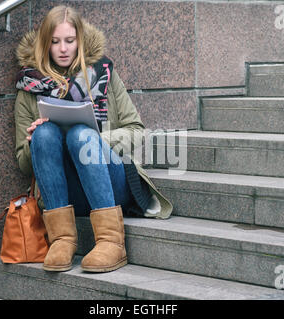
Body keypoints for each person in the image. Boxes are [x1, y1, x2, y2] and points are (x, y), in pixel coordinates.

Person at [13, 6, 172, 273]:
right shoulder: (29, 89)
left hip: (111, 182)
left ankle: (111, 242)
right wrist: (34, 143)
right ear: (45, 44)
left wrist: (93, 139)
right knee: (45, 133)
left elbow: (136, 129)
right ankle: (62, 240)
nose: (63, 48)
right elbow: (23, 164)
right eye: (54, 42)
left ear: (80, 41)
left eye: (69, 41)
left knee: (80, 135)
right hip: (65, 190)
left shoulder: (103, 75)